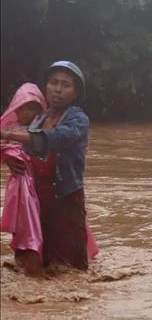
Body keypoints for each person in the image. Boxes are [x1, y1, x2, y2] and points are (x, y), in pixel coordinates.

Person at [1, 61, 98, 270]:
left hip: (66, 198)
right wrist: (11, 160)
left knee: (68, 267)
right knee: (35, 264)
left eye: (66, 85)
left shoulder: (78, 119)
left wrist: (8, 134)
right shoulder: (39, 119)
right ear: (46, 87)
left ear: (75, 93)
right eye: (54, 83)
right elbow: (25, 150)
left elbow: (55, 138)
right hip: (37, 199)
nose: (58, 89)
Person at [1, 83, 47, 275]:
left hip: (40, 184)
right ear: (16, 109)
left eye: (33, 108)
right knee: (23, 221)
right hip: (20, 184)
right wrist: (8, 157)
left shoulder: (43, 131)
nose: (27, 113)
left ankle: (35, 260)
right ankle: (26, 260)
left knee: (41, 222)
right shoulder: (10, 129)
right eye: (23, 108)